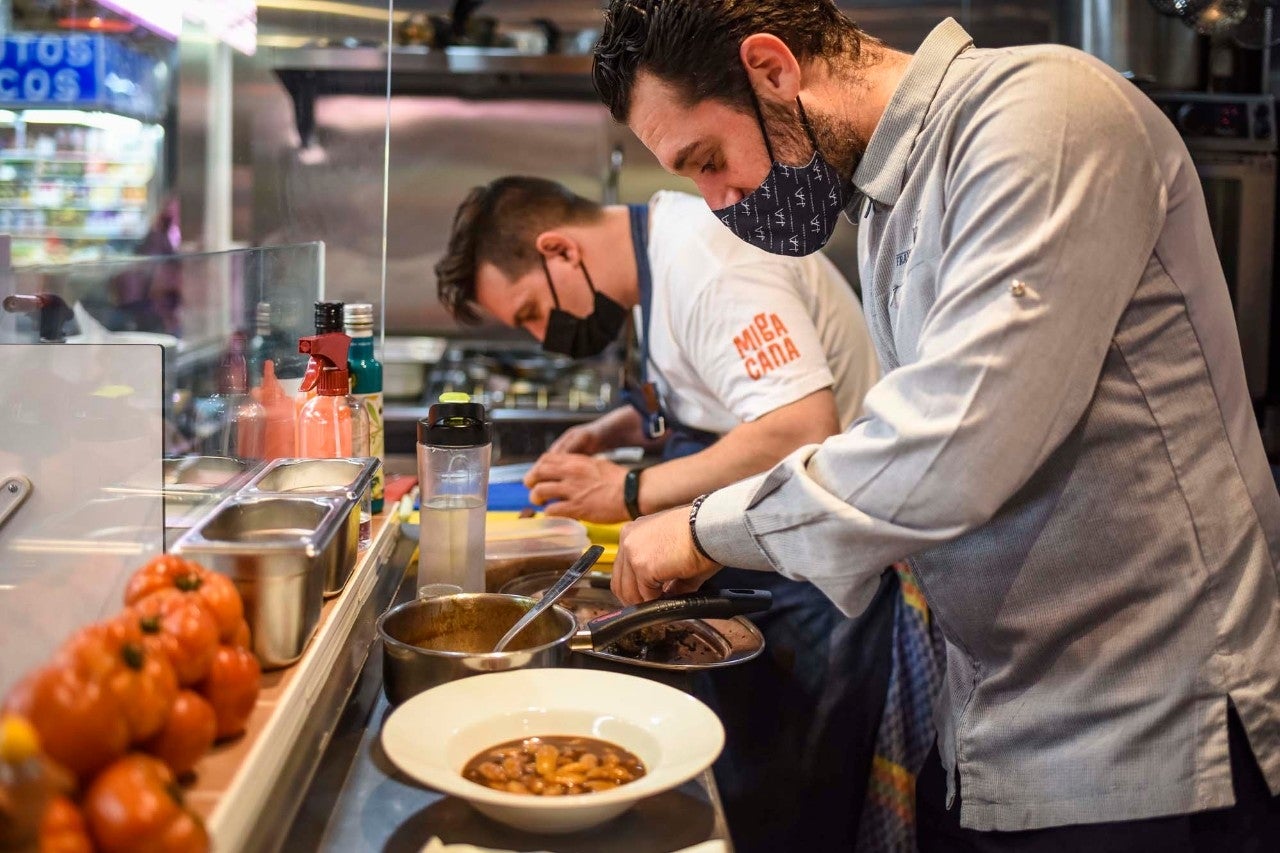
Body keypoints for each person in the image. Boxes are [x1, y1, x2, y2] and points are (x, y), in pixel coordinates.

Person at [592, 2, 1280, 851]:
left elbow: (950, 452)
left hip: (1145, 749)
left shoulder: (1043, 115)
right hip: (1000, 737)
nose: (719, 200)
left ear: (772, 69)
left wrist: (702, 531)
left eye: (707, 161)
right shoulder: (885, 207)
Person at [434, 176, 930, 849]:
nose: (543, 336)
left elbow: (798, 426)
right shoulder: (652, 264)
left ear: (559, 251)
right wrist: (612, 430)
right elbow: (709, 400)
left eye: (529, 312)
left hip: (821, 576)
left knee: (793, 812)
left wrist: (632, 490)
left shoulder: (707, 262)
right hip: (762, 554)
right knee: (748, 791)